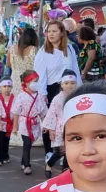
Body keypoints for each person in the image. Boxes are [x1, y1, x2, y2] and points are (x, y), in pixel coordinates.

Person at [35, 21, 82, 175]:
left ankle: (64, 150)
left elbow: (75, 69)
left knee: (68, 120)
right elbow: (40, 75)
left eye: (55, 31)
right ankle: (50, 150)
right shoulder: (43, 52)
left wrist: (79, 90)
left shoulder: (69, 48)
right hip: (51, 89)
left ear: (62, 33)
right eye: (49, 31)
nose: (51, 34)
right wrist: (42, 95)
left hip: (69, 87)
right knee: (51, 121)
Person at [41, 69, 78, 173]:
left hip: (74, 127)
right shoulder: (57, 99)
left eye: (72, 83)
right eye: (66, 83)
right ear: (61, 84)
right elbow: (52, 114)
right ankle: (49, 164)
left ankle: (65, 173)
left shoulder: (78, 97)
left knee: (69, 151)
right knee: (60, 151)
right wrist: (51, 129)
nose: (69, 85)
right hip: (61, 128)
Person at [14, 70, 48, 175]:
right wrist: (15, 126)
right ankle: (27, 165)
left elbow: (42, 111)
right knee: (27, 143)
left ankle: (23, 161)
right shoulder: (21, 96)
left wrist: (45, 124)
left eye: (37, 81)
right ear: (27, 83)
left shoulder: (39, 96)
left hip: (35, 123)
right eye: (35, 81)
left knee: (29, 144)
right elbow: (16, 112)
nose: (37, 83)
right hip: (25, 123)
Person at [8, 27, 39, 97]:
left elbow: (8, 64)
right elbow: (38, 66)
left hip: (14, 80)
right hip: (29, 81)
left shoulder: (12, 48)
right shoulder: (34, 50)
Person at [0, 78, 15, 166]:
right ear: (0, 88)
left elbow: (15, 111)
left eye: (9, 86)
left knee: (6, 140)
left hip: (10, 124)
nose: (7, 88)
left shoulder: (14, 99)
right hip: (0, 123)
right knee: (0, 141)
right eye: (4, 86)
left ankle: (5, 155)